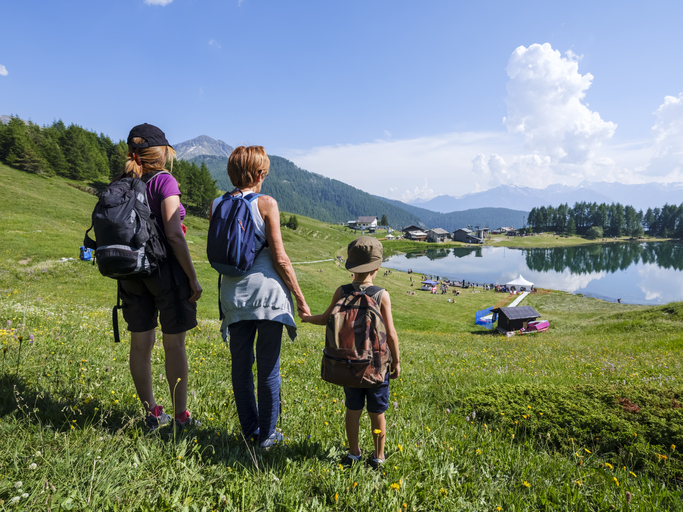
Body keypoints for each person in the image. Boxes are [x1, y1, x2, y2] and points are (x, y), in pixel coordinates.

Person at [211, 146, 310, 448]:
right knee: (268, 367)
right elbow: (280, 258)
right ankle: (267, 436)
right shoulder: (266, 203)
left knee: (240, 367)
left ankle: (249, 430)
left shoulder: (217, 204)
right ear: (259, 174)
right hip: (268, 297)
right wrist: (301, 299)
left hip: (233, 297)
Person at [117, 123, 202, 430]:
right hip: (164, 270)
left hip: (129, 270)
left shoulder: (124, 181)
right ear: (162, 153)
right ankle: (180, 416)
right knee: (174, 344)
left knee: (140, 344)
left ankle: (151, 413)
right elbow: (173, 235)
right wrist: (192, 277)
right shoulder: (164, 181)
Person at [302, 237, 400, 469]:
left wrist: (306, 317)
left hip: (348, 364)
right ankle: (378, 457)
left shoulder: (342, 291)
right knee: (378, 412)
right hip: (376, 366)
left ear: (351, 267)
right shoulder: (381, 294)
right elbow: (392, 334)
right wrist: (397, 362)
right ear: (376, 268)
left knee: (352, 410)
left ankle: (354, 453)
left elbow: (325, 319)